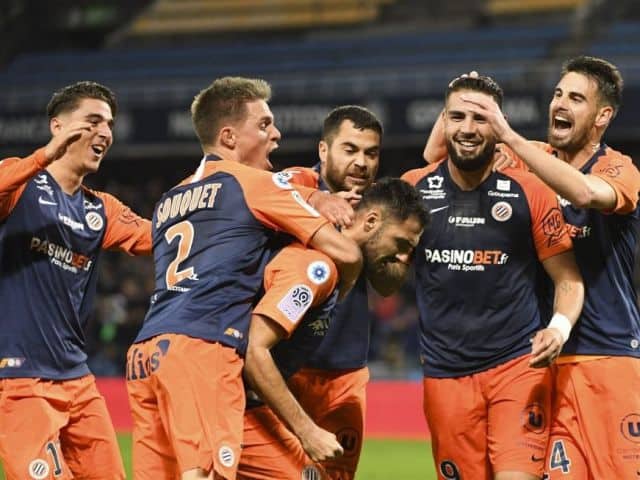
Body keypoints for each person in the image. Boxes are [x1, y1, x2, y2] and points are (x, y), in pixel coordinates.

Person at [125, 77, 362, 480]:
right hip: (204, 346)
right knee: (206, 474)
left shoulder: (169, 200)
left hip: (146, 355)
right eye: (265, 124)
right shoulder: (254, 184)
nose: (276, 133)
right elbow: (347, 252)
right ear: (230, 136)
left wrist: (311, 195)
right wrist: (338, 290)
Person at [459, 56, 640, 479]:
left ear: (602, 116)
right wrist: (468, 101)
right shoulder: (532, 156)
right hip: (542, 361)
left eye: (576, 98)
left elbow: (583, 192)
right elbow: (438, 154)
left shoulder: (621, 169)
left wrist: (510, 138)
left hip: (607, 361)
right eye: (558, 93)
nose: (560, 103)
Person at [401, 74, 584, 480]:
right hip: (444, 376)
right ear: (443, 123)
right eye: (458, 117)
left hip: (517, 367)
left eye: (481, 118)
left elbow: (569, 280)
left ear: (499, 127)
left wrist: (557, 328)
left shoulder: (531, 190)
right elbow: (385, 277)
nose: (468, 129)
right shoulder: (413, 191)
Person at [0, 81, 152, 479]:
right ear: (58, 126)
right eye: (93, 121)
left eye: (110, 124)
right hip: (19, 379)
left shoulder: (100, 209)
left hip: (77, 380)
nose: (105, 132)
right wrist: (44, 156)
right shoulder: (20, 184)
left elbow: (162, 238)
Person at [239, 178, 429, 480]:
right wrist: (307, 431)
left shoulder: (343, 266)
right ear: (370, 221)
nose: (404, 258)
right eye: (401, 244)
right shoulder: (317, 269)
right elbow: (254, 348)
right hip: (233, 400)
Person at [284, 105, 404, 480]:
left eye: (371, 153)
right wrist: (320, 204)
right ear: (323, 150)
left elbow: (389, 284)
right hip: (286, 370)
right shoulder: (293, 186)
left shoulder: (379, 209)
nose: (362, 162)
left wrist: (375, 239)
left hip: (345, 375)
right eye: (350, 150)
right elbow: (261, 192)